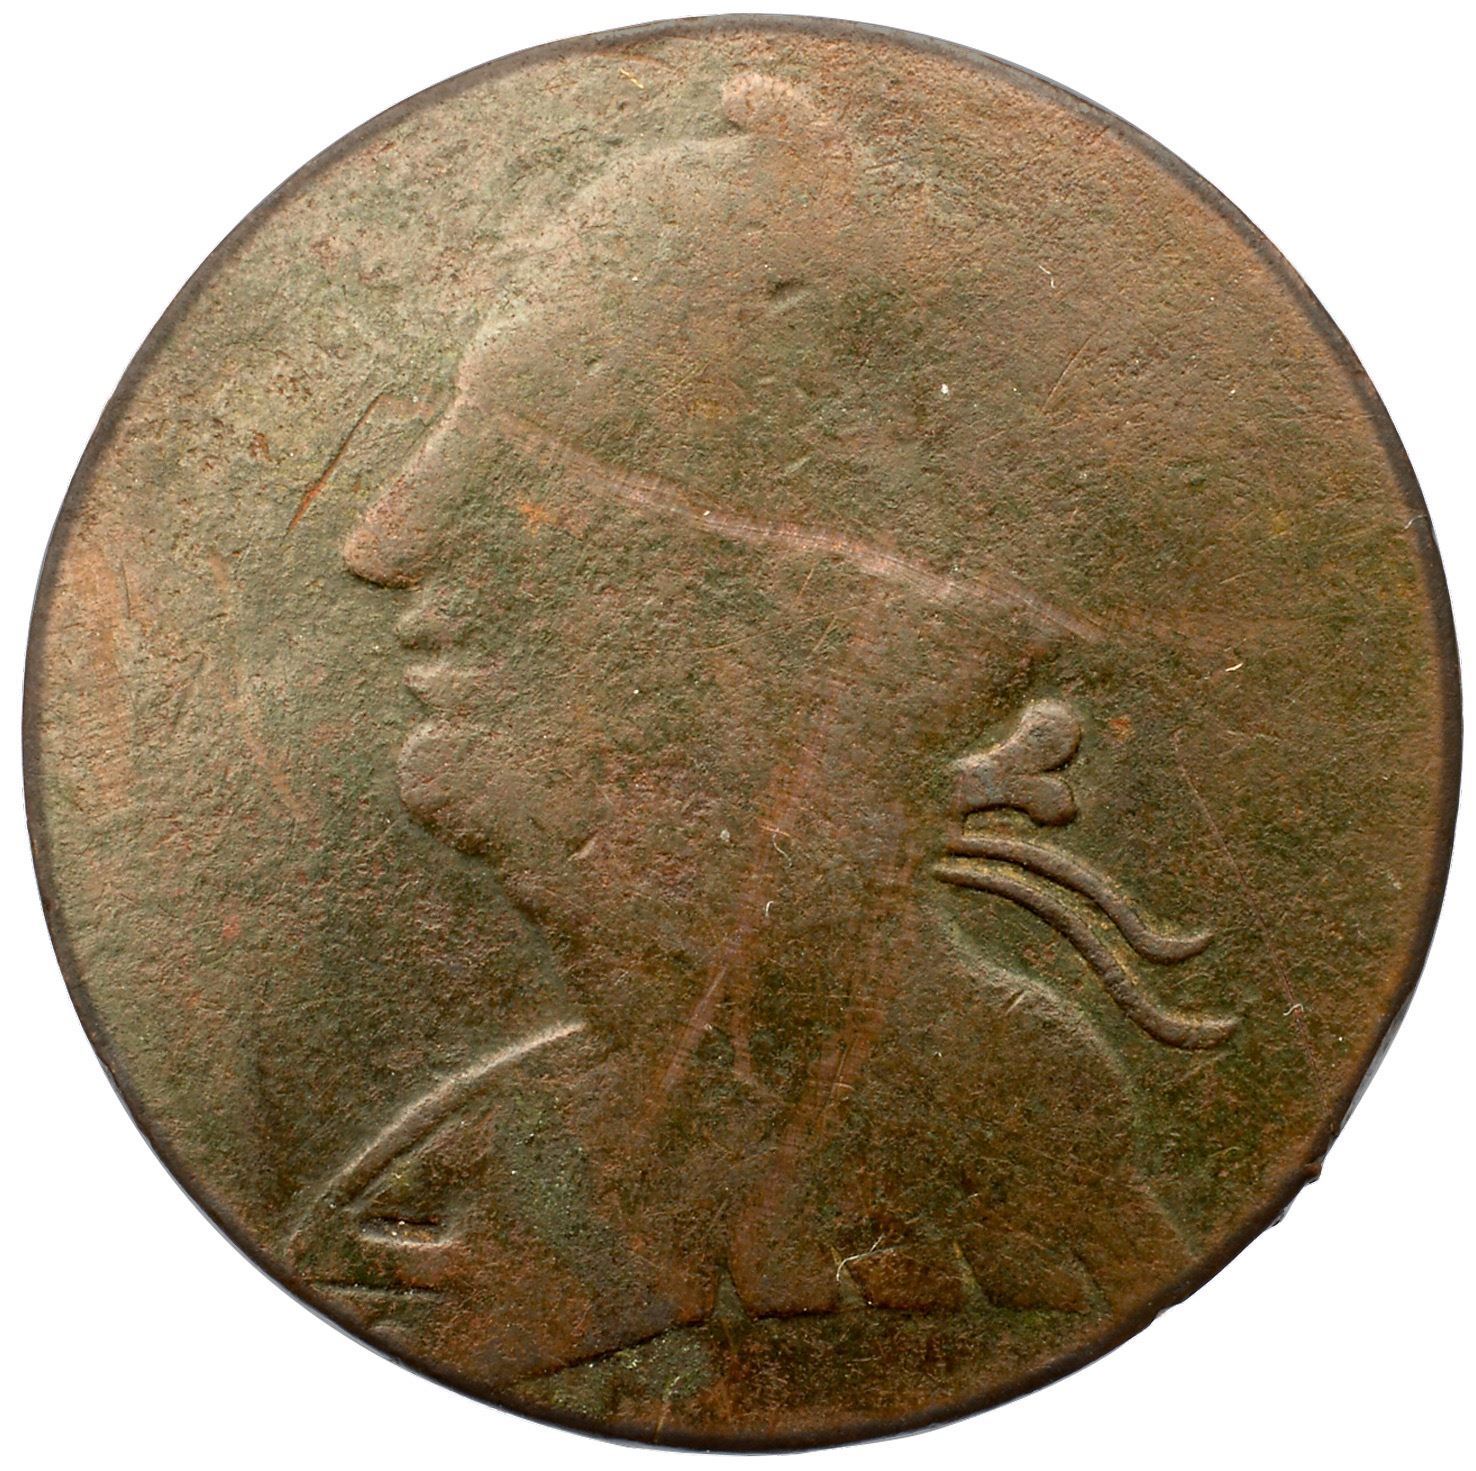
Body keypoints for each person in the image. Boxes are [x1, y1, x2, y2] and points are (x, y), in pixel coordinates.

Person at [290, 74, 1231, 1389]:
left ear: (752, 637)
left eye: (510, 486)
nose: (382, 544)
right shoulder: (508, 1155)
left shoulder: (992, 1175)